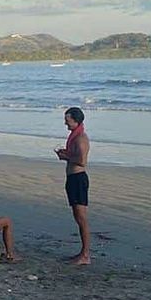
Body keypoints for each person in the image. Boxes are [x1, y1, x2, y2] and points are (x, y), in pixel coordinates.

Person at [55, 106, 91, 265]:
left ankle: (85, 255)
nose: (65, 124)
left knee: (81, 218)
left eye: (68, 120)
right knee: (77, 217)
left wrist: (65, 158)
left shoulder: (81, 138)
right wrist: (66, 153)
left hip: (78, 178)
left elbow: (82, 161)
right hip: (72, 178)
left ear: (76, 120)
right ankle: (83, 253)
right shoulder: (74, 137)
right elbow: (75, 155)